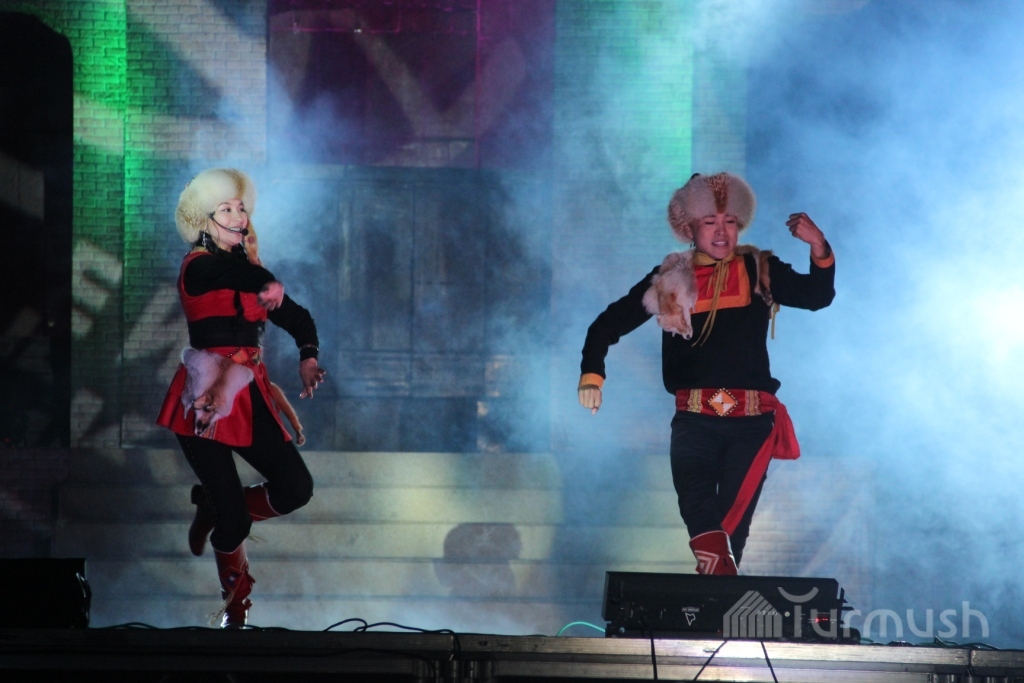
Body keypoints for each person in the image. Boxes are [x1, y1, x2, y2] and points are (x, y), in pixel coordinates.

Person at [578, 172, 834, 575]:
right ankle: (719, 599)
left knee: (733, 529)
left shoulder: (759, 269)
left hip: (751, 424)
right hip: (694, 420)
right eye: (710, 222)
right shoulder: (668, 280)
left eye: (729, 221)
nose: (721, 231)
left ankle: (716, 604)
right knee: (696, 505)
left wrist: (819, 246)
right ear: (690, 229)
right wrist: (592, 373)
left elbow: (817, 296)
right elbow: (606, 325)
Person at [156, 168, 327, 627]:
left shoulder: (251, 272)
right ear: (204, 218)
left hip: (249, 394)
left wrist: (308, 356)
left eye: (242, 207)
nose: (238, 215)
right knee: (235, 521)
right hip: (205, 399)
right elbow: (227, 271)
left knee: (296, 488)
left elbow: (298, 317)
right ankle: (236, 608)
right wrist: (262, 278)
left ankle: (217, 506)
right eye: (226, 209)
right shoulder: (198, 266)